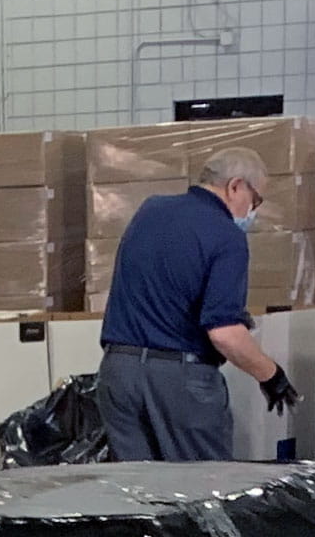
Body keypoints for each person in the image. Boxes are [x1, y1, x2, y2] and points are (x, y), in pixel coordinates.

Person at [97, 150, 295, 461]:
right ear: (235, 187)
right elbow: (225, 334)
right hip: (179, 380)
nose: (252, 211)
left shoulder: (150, 210)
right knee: (201, 492)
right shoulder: (227, 236)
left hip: (118, 374)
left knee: (135, 493)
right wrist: (271, 375)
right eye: (255, 201)